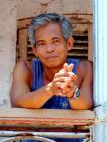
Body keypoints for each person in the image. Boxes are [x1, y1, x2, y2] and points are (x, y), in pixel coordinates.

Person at [10, 13, 93, 142]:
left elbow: (87, 104)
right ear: (35, 50)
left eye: (55, 41)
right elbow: (17, 102)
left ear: (69, 43)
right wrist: (50, 89)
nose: (49, 49)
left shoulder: (84, 68)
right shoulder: (25, 68)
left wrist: (71, 92)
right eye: (42, 43)